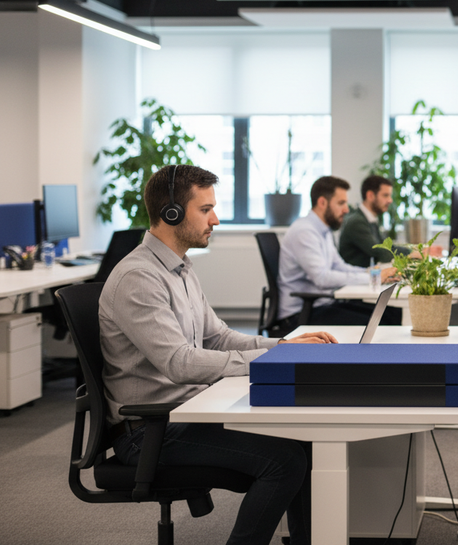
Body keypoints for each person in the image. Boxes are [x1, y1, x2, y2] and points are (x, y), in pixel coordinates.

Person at [100, 164, 338, 545]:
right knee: (285, 461)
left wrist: (284, 347)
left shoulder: (180, 268)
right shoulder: (139, 278)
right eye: (205, 209)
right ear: (171, 213)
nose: (216, 219)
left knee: (303, 436)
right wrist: (269, 362)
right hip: (149, 431)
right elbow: (180, 363)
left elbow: (218, 337)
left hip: (187, 412)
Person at [277, 176, 397, 328]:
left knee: (390, 313)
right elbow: (322, 278)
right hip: (300, 315)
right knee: (381, 321)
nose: (346, 209)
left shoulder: (323, 230)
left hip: (321, 305)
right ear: (322, 203)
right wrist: (374, 277)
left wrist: (373, 273)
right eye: (341, 203)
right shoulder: (304, 232)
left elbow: (339, 266)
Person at [338, 174, 442, 267]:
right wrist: (413, 255)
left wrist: (416, 251)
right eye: (385, 195)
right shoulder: (357, 222)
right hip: (355, 279)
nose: (390, 200)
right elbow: (380, 252)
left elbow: (387, 246)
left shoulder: (370, 219)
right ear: (370, 196)